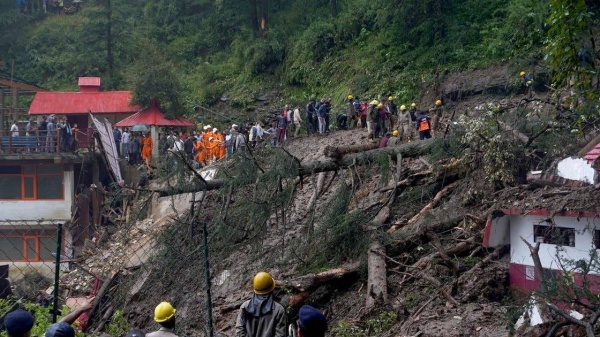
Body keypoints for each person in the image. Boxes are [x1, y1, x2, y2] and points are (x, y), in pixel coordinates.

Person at [235, 271, 286, 337]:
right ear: (272, 288)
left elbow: (239, 331)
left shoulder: (245, 306)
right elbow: (280, 335)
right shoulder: (279, 310)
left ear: (255, 289)